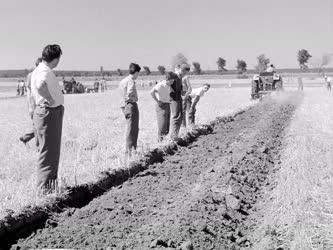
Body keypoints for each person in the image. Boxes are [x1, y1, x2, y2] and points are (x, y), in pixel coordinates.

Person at [31, 44, 64, 192]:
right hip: (49, 112)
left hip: (45, 112)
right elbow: (40, 86)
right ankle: (45, 189)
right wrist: (50, 100)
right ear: (56, 58)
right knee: (49, 152)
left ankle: (49, 186)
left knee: (49, 150)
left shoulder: (38, 70)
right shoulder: (44, 71)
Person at [119, 63, 141, 155]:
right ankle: (130, 150)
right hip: (130, 105)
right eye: (138, 73)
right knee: (133, 128)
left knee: (130, 127)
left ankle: (130, 149)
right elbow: (130, 93)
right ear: (136, 72)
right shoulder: (131, 81)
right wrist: (134, 99)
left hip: (124, 106)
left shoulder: (123, 81)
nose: (138, 75)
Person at [19, 57, 43, 145]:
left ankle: (26, 138)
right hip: (34, 103)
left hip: (41, 103)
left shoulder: (44, 74)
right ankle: (38, 147)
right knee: (38, 125)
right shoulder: (31, 75)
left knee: (40, 125)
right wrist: (30, 106)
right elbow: (28, 92)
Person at [150, 72, 174, 142]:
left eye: (173, 81)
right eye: (171, 81)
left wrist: (169, 98)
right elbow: (151, 92)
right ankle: (159, 142)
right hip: (161, 106)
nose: (172, 83)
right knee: (162, 125)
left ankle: (164, 141)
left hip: (167, 105)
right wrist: (157, 101)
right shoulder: (160, 85)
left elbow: (169, 92)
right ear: (167, 79)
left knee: (167, 126)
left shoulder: (168, 85)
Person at [170, 63, 190, 139]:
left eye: (186, 73)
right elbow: (168, 86)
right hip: (174, 99)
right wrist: (173, 94)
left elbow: (180, 87)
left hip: (179, 98)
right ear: (181, 70)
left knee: (180, 116)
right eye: (184, 72)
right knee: (176, 116)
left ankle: (176, 134)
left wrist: (183, 94)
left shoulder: (180, 77)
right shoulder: (174, 76)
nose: (185, 74)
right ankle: (173, 136)